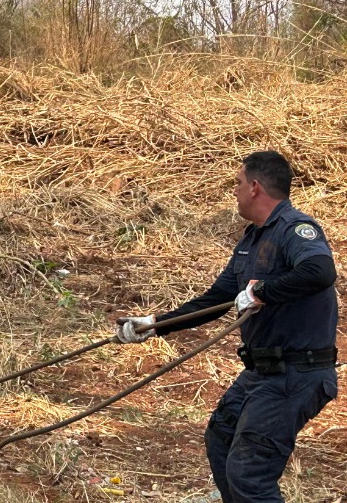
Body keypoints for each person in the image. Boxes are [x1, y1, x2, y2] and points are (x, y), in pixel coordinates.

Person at [114, 151, 337, 503]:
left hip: (295, 373)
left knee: (250, 472)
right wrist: (154, 325)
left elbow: (321, 272)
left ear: (254, 187)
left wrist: (263, 292)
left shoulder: (296, 229)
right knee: (221, 439)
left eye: (236, 183)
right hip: (262, 371)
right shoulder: (251, 241)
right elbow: (216, 298)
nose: (233, 190)